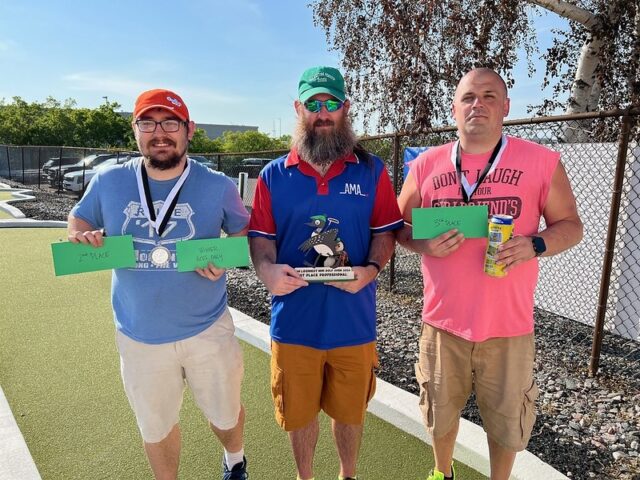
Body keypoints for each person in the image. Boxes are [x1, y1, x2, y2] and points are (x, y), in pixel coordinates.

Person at [397, 68, 584, 480]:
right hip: (442, 323)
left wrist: (536, 244)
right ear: (454, 108)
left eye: (488, 96)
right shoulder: (426, 165)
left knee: (506, 424)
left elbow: (571, 225)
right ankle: (441, 473)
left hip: (508, 327)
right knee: (439, 414)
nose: (477, 105)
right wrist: (422, 244)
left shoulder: (541, 161)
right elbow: (397, 226)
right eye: (468, 97)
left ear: (505, 107)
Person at [67, 89, 250, 480]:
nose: (159, 133)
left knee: (225, 415)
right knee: (155, 427)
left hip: (207, 329)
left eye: (170, 122)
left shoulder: (218, 184)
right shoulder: (109, 180)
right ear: (135, 131)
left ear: (189, 130)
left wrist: (225, 256)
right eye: (147, 123)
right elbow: (79, 219)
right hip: (139, 335)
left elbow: (243, 231)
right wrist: (81, 235)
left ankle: (235, 459)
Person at [248, 66, 403, 480]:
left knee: (349, 413)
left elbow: (386, 232)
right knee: (299, 417)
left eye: (331, 102)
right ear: (298, 109)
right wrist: (266, 271)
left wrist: (370, 270)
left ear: (345, 108)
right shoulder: (273, 175)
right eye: (313, 103)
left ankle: (347, 475)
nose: (322, 112)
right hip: (293, 325)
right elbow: (261, 240)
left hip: (353, 325)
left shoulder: (371, 170)